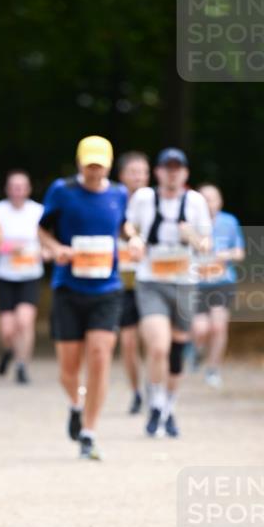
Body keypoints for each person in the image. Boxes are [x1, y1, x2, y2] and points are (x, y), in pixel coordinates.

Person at [38, 136, 138, 460]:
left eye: (100, 166)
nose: (95, 171)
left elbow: (123, 225)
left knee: (100, 356)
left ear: (108, 166)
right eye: (89, 165)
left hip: (107, 289)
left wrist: (134, 239)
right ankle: (76, 404)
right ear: (80, 164)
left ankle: (90, 433)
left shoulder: (118, 193)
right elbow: (42, 230)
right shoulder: (62, 191)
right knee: (68, 369)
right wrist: (57, 249)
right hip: (68, 288)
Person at [125, 147, 211, 438]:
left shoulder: (195, 202)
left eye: (178, 169)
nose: (172, 174)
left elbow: (206, 245)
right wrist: (135, 239)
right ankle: (155, 402)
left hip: (184, 282)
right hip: (151, 281)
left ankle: (169, 406)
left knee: (176, 351)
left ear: (185, 173)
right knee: (158, 347)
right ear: (158, 172)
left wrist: (193, 237)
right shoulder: (144, 198)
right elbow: (129, 225)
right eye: (167, 168)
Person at [0, 170, 45, 384]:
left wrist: (44, 252)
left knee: (24, 321)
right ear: (7, 189)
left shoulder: (39, 211)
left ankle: (22, 365)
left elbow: (48, 240)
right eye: (14, 187)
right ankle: (8, 351)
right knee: (7, 330)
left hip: (30, 275)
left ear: (29, 189)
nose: (18, 191)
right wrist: (8, 247)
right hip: (5, 275)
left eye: (22, 187)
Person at [191, 183, 245, 388]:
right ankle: (197, 351)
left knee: (218, 326)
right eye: (203, 199)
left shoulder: (229, 222)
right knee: (200, 329)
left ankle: (213, 369)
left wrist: (225, 255)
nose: (208, 203)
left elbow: (239, 253)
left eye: (211, 199)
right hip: (196, 282)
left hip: (223, 281)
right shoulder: (189, 223)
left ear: (220, 202)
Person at [115, 151, 151, 414]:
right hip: (121, 282)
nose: (138, 177)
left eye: (143, 172)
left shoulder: (156, 203)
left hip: (151, 281)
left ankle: (153, 386)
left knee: (152, 339)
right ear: (122, 176)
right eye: (133, 172)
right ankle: (136, 391)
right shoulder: (112, 201)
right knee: (128, 343)